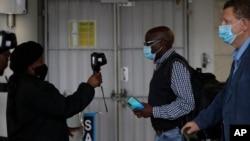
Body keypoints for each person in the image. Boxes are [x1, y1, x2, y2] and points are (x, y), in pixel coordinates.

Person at [181, 0, 250, 141]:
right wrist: (200, 122)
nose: (221, 26)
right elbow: (224, 96)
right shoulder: (239, 58)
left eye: (226, 21)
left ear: (244, 24)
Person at [6, 41, 102, 141]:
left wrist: (59, 129)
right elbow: (65, 108)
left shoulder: (19, 84)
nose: (43, 64)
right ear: (30, 66)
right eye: (41, 61)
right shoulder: (34, 88)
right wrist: (89, 86)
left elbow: (34, 120)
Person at [132, 26, 195, 141]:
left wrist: (153, 111)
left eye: (148, 43)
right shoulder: (162, 64)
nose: (146, 47)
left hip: (175, 134)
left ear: (162, 43)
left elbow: (187, 103)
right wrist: (148, 108)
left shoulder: (175, 65)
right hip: (164, 134)